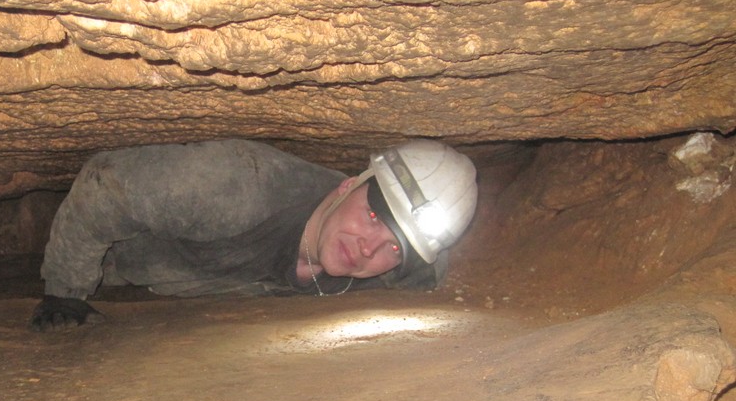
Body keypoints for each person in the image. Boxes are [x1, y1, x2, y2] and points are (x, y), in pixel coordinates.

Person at [30, 138, 477, 330]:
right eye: (375, 217)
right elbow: (104, 186)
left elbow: (434, 265)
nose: (368, 247)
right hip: (116, 261)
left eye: (394, 249)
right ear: (348, 185)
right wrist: (64, 290)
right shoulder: (231, 187)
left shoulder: (383, 262)